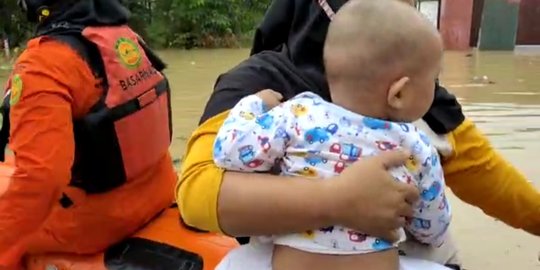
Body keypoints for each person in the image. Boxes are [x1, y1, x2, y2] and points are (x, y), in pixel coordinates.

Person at [176, 0, 540, 267]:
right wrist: (336, 200)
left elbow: (478, 167)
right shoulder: (259, 82)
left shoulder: (413, 80)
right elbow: (197, 191)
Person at [212, 1, 451, 269]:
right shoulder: (416, 146)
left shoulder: (297, 113)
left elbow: (228, 152)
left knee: (235, 261)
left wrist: (253, 104)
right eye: (434, 80)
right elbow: (434, 229)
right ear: (399, 94)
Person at [0, 0, 176, 268]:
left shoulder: (43, 65)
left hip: (95, 223)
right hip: (160, 190)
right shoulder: (124, 36)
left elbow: (42, 179)